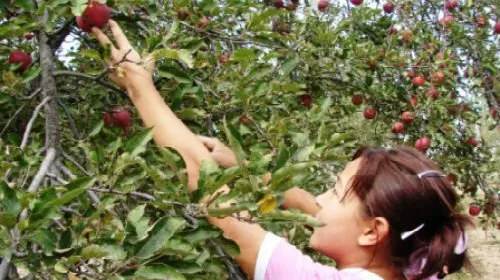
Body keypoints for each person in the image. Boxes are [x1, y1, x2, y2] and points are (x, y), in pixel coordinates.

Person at [92, 21, 472, 280]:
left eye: (336, 191)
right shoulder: (416, 265)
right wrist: (243, 165)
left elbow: (203, 179)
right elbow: (311, 206)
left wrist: (139, 86)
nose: (320, 198)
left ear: (373, 231)